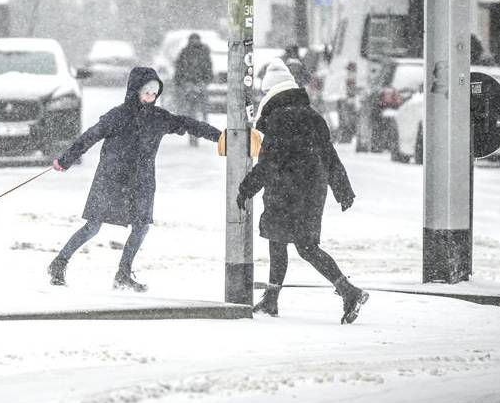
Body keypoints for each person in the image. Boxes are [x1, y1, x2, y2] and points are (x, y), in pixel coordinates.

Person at [48, 67, 222, 292]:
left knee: (141, 227)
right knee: (93, 226)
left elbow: (190, 124)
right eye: (146, 92)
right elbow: (89, 136)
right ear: (135, 90)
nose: (150, 97)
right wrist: (66, 160)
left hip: (142, 182)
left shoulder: (159, 118)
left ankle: (123, 274)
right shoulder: (117, 116)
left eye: (154, 93)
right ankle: (59, 263)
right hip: (111, 179)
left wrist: (220, 137)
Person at [236, 59, 368, 324]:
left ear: (271, 93)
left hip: (285, 191)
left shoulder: (278, 119)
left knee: (291, 244)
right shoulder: (313, 116)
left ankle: (348, 291)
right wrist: (342, 189)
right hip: (311, 191)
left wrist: (247, 188)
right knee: (294, 244)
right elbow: (329, 155)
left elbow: (269, 162)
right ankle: (273, 298)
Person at [173, 33, 214, 145]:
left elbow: (208, 69)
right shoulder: (188, 53)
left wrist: (204, 81)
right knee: (194, 109)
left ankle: (195, 129)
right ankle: (195, 131)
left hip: (194, 84)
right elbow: (179, 69)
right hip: (191, 84)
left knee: (195, 109)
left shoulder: (192, 53)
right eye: (193, 39)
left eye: (196, 39)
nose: (194, 42)